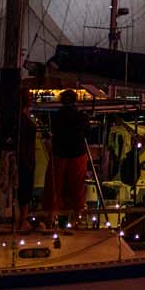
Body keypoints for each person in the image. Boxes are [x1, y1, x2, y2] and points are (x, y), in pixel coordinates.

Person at [45, 89, 93, 229]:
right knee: (77, 186)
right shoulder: (81, 116)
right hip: (77, 153)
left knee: (56, 185)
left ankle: (51, 216)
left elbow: (53, 131)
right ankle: (76, 219)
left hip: (59, 152)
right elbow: (87, 132)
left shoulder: (56, 116)